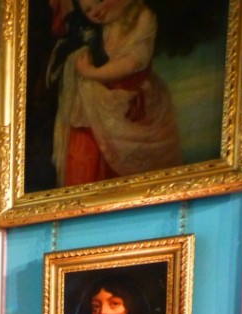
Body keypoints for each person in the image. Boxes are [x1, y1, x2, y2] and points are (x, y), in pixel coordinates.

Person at [52, 0, 181, 187]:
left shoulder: (142, 16)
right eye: (88, 10)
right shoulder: (103, 27)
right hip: (100, 102)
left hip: (132, 105)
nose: (95, 12)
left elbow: (133, 62)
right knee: (85, 147)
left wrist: (91, 73)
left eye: (100, 1)